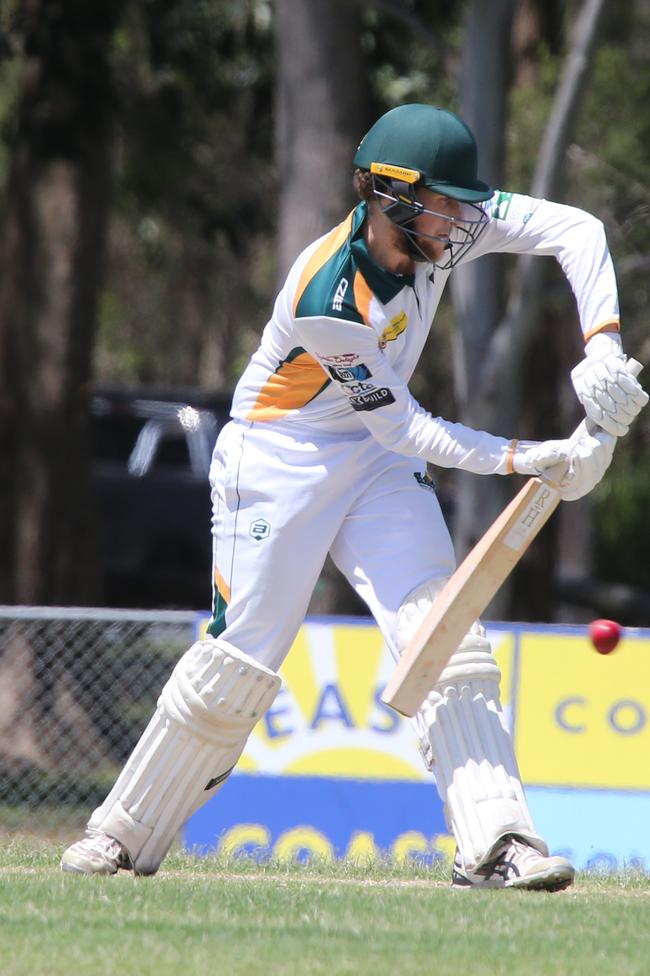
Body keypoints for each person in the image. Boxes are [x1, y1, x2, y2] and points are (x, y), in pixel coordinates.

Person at [61, 103, 647, 887]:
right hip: (280, 456)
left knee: (447, 636)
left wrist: (601, 348)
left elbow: (577, 230)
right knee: (240, 659)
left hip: (372, 464)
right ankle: (120, 838)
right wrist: (532, 458)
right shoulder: (327, 296)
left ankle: (499, 844)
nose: (463, 220)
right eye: (445, 202)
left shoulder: (438, 230)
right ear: (391, 198)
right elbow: (411, 431)